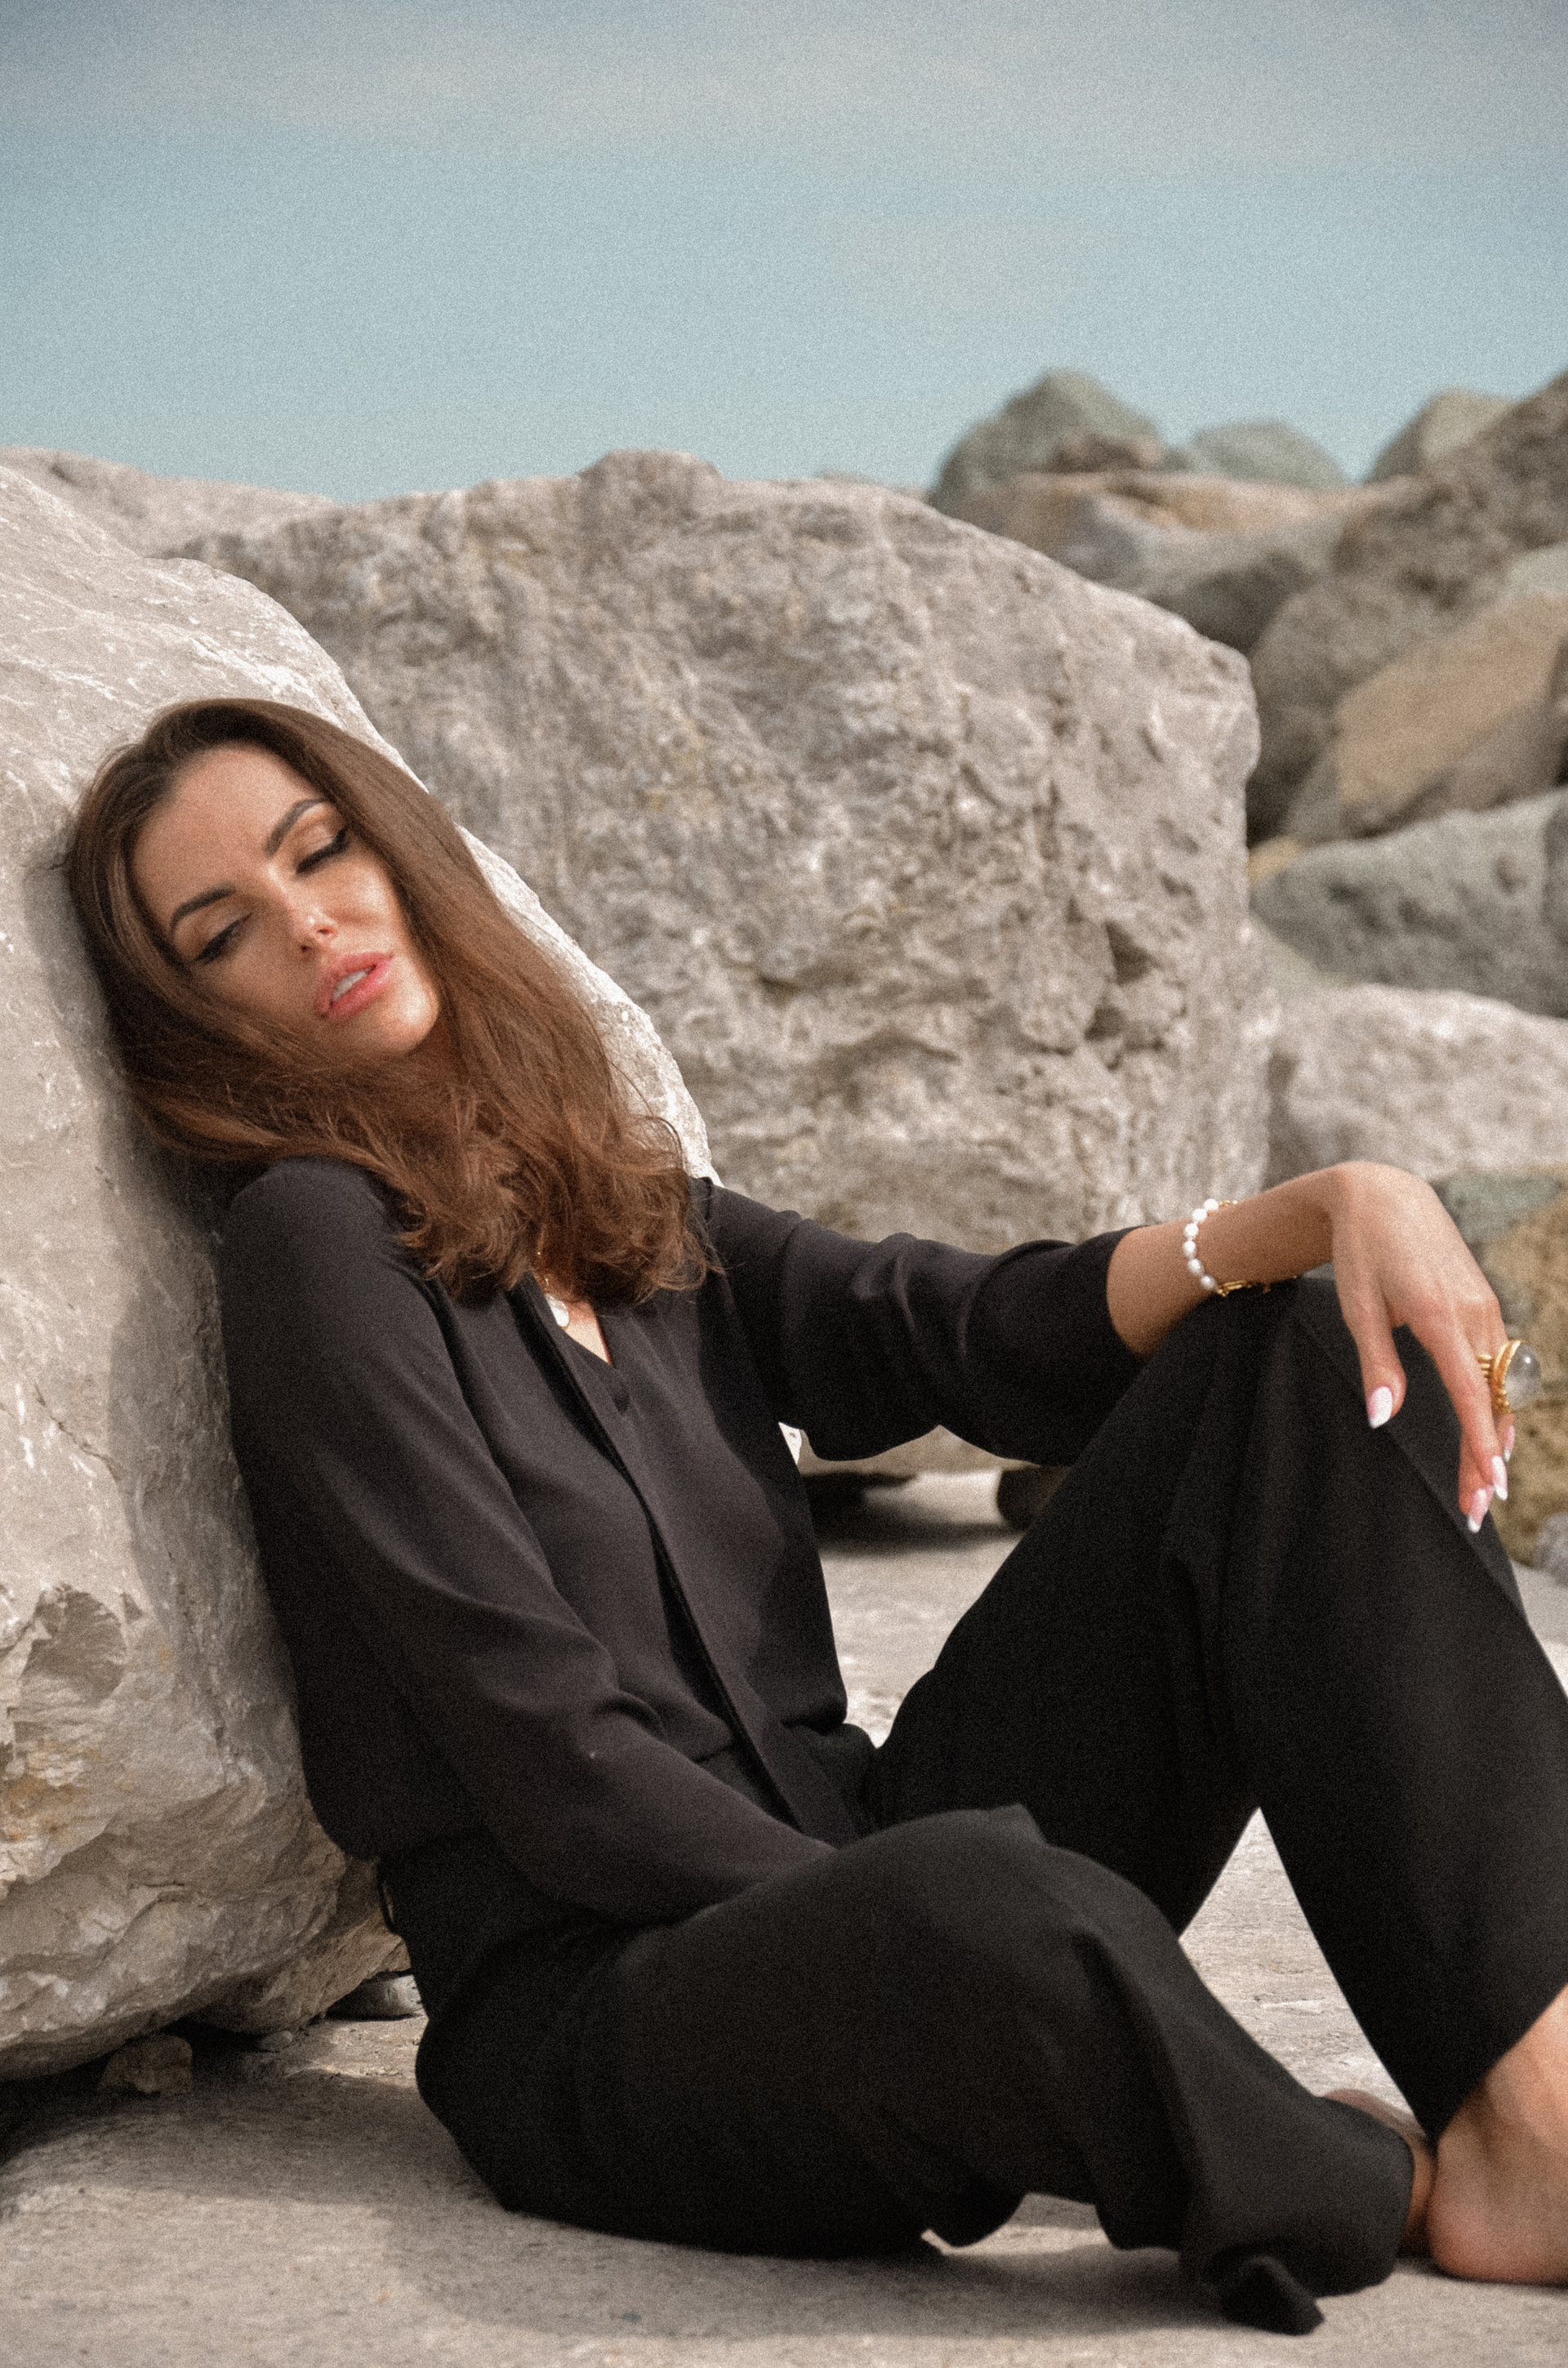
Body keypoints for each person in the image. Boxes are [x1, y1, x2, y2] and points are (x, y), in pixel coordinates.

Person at [69, 696, 1568, 2336]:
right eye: (224, 933)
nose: (306, 922)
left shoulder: (617, 1202)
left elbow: (959, 1330)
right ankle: (1365, 2180)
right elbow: (546, 1755)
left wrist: (1337, 1204)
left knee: (1303, 1354)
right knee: (981, 1906)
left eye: (319, 851)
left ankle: (1536, 2112)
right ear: (199, 1025)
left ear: (398, 849)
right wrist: (892, 1918)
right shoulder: (312, 1247)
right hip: (614, 2006)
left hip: (864, 1865)